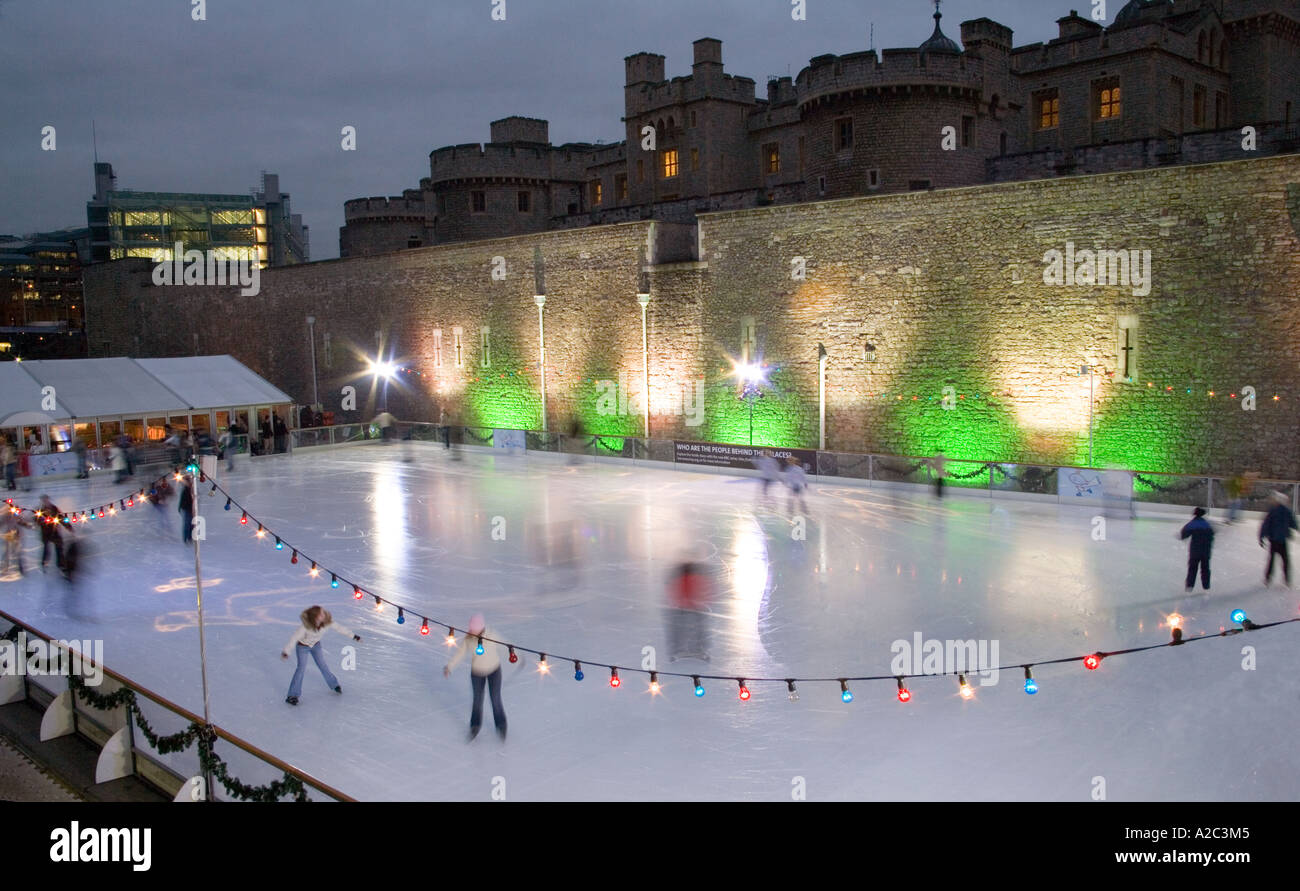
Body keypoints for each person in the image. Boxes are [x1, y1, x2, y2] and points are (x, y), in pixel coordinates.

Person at [443, 613, 507, 741]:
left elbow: (505, 646)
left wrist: (517, 656)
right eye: (472, 630)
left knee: (495, 699)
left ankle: (501, 725)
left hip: (494, 671)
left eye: (476, 630)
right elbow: (460, 653)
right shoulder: (468, 638)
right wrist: (449, 666)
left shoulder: (492, 635)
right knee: (477, 701)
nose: (474, 633)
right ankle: (475, 726)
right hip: (477, 673)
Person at [281, 605, 361, 705]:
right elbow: (294, 638)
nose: (324, 615)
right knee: (301, 669)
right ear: (315, 617)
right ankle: (292, 695)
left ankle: (334, 684)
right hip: (302, 647)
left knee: (322, 665)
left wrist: (353, 636)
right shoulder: (305, 627)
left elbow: (340, 628)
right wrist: (286, 652)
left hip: (316, 646)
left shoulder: (327, 622)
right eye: (321, 614)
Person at [667, 562, 711, 662]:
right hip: (691, 606)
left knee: (682, 629)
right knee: (696, 628)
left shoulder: (684, 578)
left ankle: (681, 647)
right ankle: (698, 647)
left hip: (686, 607)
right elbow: (703, 590)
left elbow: (673, 591)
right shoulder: (692, 578)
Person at [1259, 490, 1298, 587]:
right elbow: (1293, 523)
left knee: (1271, 560)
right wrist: (1297, 529)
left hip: (1273, 540)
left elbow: (1265, 525)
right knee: (1285, 561)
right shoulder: (1287, 511)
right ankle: (1287, 580)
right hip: (1282, 541)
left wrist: (1261, 537)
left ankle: (1268, 579)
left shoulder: (1272, 511)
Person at [1178, 507, 1214, 593]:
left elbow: (1184, 534)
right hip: (1206, 551)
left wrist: (1181, 536)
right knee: (1205, 568)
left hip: (1195, 551)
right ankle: (1206, 586)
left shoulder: (1193, 523)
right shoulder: (1207, 524)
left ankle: (1190, 586)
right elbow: (1212, 535)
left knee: (1192, 568)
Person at [37, 495, 64, 573]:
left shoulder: (54, 508)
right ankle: (44, 563)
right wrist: (43, 521)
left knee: (59, 547)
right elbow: (37, 520)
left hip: (55, 532)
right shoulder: (40, 511)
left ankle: (60, 564)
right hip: (46, 533)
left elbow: (61, 518)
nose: (46, 502)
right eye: (44, 500)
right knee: (46, 549)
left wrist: (69, 527)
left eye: (46, 500)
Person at [1, 507, 29, 577]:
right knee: (7, 551)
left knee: (17, 551)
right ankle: (5, 567)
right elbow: (1, 523)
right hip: (9, 535)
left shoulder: (17, 515)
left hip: (16, 535)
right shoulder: (6, 515)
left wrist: (27, 525)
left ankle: (20, 568)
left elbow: (22, 522)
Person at [177, 473, 195, 545]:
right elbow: (182, 500)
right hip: (186, 509)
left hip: (191, 509)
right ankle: (186, 538)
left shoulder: (192, 489)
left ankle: (190, 538)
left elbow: (195, 499)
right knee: (187, 524)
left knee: (191, 524)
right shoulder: (185, 489)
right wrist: (180, 507)